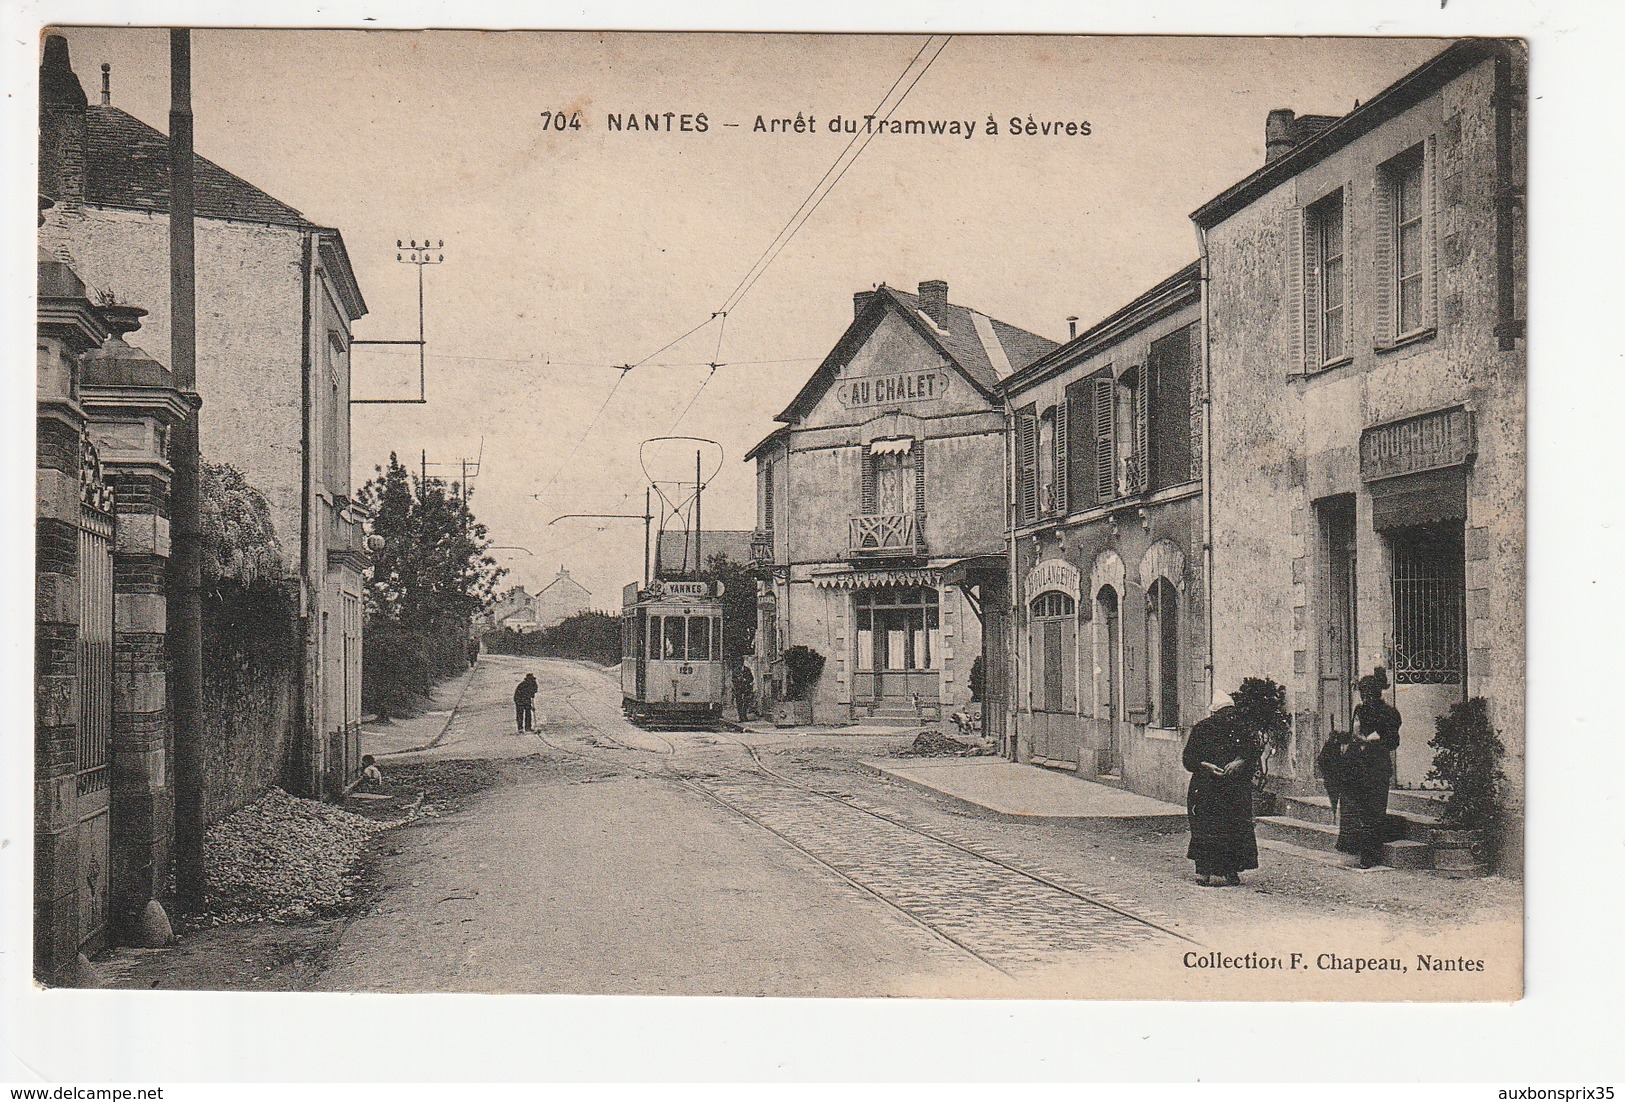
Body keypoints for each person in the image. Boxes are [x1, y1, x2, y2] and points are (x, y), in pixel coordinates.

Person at [1183, 689, 1261, 887]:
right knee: (1206, 829)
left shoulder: (1241, 729)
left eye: (1231, 712)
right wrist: (1206, 766)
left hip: (1233, 788)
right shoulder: (1202, 729)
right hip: (1206, 788)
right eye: (1224, 713)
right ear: (1215, 713)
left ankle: (1231, 870)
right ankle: (1204, 871)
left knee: (1234, 829)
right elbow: (1189, 759)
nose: (1229, 717)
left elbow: (1252, 752)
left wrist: (1239, 761)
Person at [1337, 668, 1402, 868]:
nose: (1366, 699)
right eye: (1363, 695)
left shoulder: (1390, 713)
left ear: (1377, 694)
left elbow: (1394, 741)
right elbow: (1354, 732)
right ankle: (1356, 849)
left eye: (1369, 695)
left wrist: (1376, 741)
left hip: (1377, 767)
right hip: (1357, 766)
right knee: (1357, 810)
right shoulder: (1360, 710)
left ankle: (1370, 855)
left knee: (1374, 811)